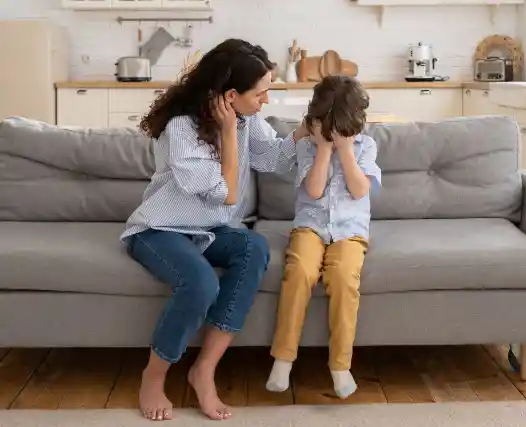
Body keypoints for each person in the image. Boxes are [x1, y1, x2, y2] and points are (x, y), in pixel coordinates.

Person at [120, 38, 308, 422]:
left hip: (209, 230)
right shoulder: (181, 129)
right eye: (261, 93)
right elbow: (227, 193)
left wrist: (307, 130)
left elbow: (273, 157)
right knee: (202, 284)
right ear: (231, 95)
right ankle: (153, 378)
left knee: (253, 248)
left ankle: (203, 370)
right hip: (159, 230)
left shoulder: (245, 117)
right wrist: (226, 133)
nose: (266, 101)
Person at [265, 75, 382, 399]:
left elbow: (360, 190)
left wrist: (344, 150)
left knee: (344, 277)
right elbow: (314, 190)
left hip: (350, 232)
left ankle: (340, 366)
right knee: (300, 271)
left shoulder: (366, 146)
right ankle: (283, 359)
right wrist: (324, 149)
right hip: (311, 226)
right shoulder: (307, 146)